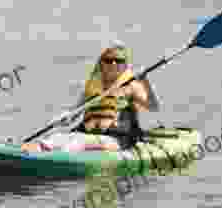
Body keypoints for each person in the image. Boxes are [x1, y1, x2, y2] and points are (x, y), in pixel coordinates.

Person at [22, 41, 161, 153]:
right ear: (101, 63)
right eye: (108, 60)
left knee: (78, 142)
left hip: (117, 140)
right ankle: (25, 151)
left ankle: (53, 160)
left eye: (118, 60)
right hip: (88, 134)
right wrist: (65, 117)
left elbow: (154, 107)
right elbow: (74, 113)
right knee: (57, 138)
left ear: (124, 65)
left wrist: (145, 81)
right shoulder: (92, 86)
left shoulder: (132, 86)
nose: (113, 64)